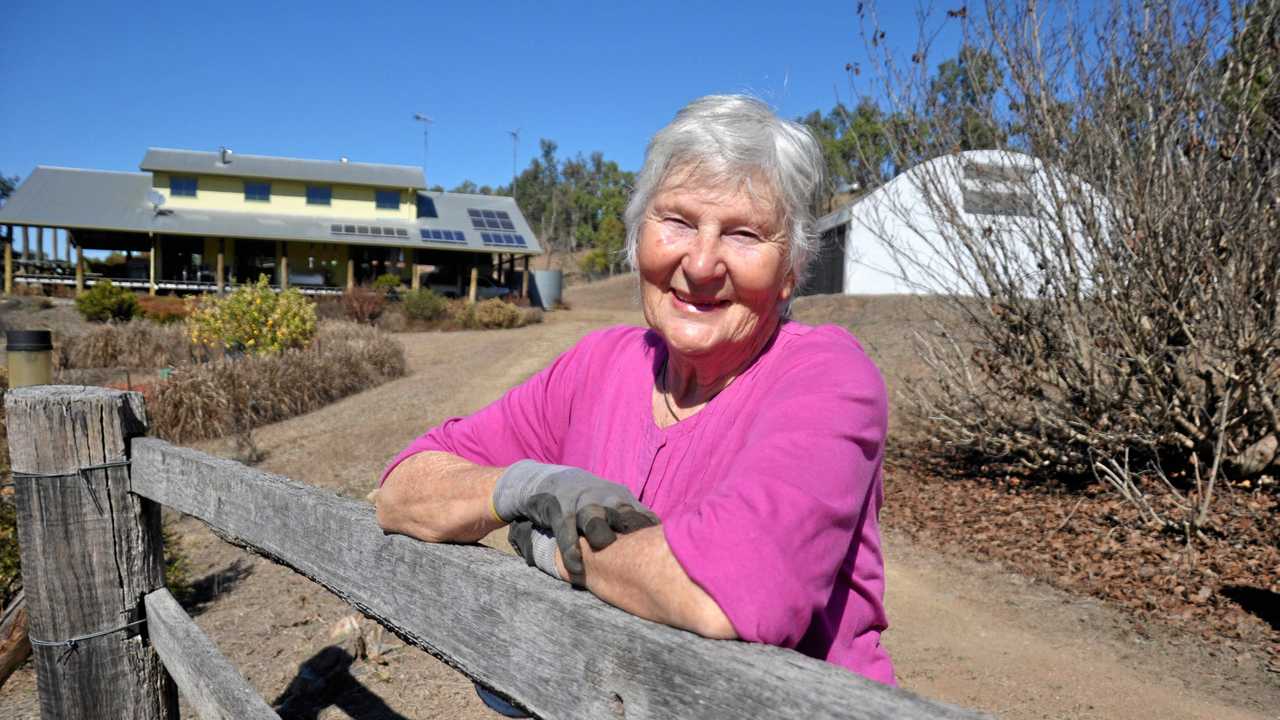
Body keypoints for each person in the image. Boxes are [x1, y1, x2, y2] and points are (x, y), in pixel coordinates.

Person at [375, 96, 896, 707]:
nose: (701, 264)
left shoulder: (826, 376)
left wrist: (555, 549)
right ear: (637, 234)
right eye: (676, 222)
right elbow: (402, 489)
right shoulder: (600, 364)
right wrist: (522, 487)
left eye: (744, 233)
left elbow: (726, 590)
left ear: (791, 269)